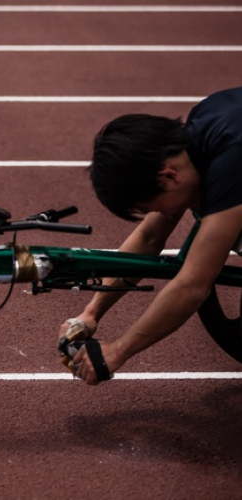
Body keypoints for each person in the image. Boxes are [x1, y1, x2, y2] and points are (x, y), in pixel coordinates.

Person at [60, 86, 242, 385]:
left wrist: (118, 352)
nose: (152, 215)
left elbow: (193, 285)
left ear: (170, 176)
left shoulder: (233, 158)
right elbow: (148, 239)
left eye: (148, 206)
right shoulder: (196, 134)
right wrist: (90, 313)